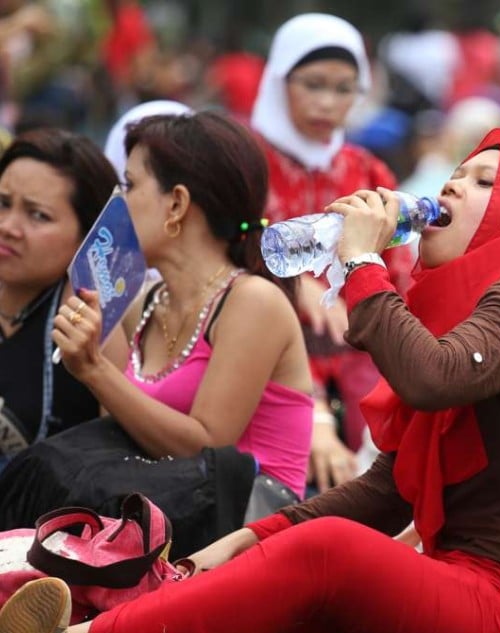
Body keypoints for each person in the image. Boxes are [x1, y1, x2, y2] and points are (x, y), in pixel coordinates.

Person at [0, 129, 500, 633]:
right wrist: (246, 540)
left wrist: (359, 259)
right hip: (472, 596)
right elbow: (388, 490)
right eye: (456, 173)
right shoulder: (473, 323)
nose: (454, 188)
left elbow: (430, 379)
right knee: (265, 588)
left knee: (326, 553)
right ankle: (49, 615)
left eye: (485, 181)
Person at [0, 112, 313, 523]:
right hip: (169, 531)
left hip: (247, 538)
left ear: (177, 203)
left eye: (130, 185)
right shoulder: (144, 302)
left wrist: (94, 369)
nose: (117, 202)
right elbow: (115, 446)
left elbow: (206, 447)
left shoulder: (253, 302)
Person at [250, 12, 410, 491]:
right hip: (264, 356)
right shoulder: (245, 161)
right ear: (280, 80)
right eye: (313, 84)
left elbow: (398, 272)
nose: (327, 102)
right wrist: (288, 280)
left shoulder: (367, 171)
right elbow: (228, 240)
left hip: (358, 356)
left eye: (345, 89)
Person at [0, 129, 123, 466]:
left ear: (88, 235)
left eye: (38, 215)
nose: (9, 226)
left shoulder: (99, 323)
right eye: (3, 203)